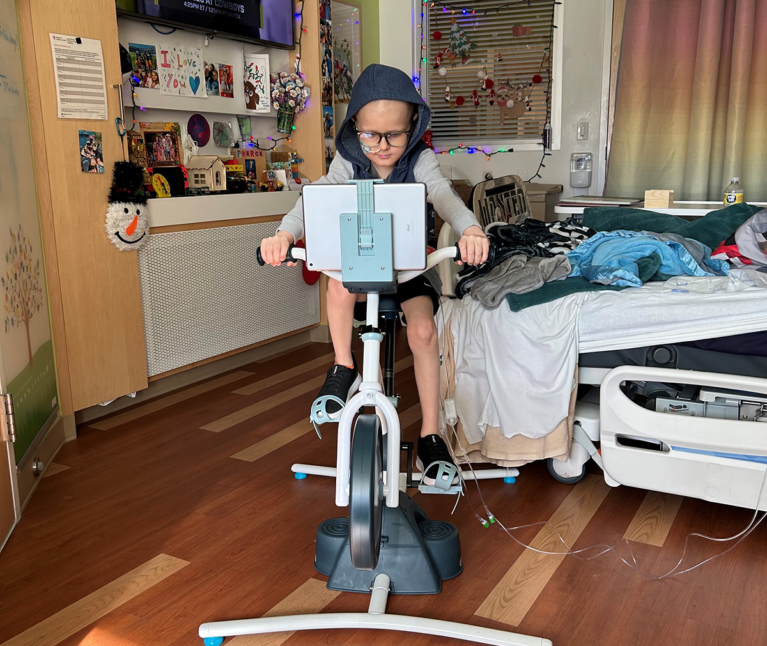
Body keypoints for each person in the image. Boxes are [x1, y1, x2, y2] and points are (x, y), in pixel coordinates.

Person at [260, 64, 489, 481]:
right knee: (339, 286)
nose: (382, 147)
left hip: (408, 272)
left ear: (413, 127)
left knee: (422, 332)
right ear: (354, 129)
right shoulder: (348, 161)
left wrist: (470, 227)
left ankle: (431, 437)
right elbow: (313, 200)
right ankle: (343, 366)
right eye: (370, 135)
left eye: (394, 135)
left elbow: (441, 194)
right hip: (363, 270)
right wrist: (282, 234)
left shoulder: (419, 159)